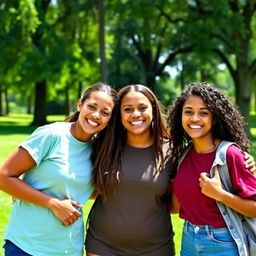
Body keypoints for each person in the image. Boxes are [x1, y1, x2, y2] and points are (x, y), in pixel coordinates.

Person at [0, 82, 117, 256]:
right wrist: (53, 203)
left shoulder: (99, 151)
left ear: (109, 120)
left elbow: (87, 191)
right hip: (26, 246)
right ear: (79, 105)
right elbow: (4, 176)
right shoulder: (52, 135)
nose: (96, 115)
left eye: (105, 112)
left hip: (69, 249)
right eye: (91, 107)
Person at [85, 84, 175, 256]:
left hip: (156, 248)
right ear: (119, 114)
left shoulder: (171, 150)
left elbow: (176, 204)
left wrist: (240, 159)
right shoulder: (103, 145)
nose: (136, 114)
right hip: (103, 246)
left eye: (142, 108)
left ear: (153, 110)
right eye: (128, 109)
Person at [168, 82, 256, 256]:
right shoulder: (183, 156)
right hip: (188, 239)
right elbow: (175, 207)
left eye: (203, 113)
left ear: (214, 118)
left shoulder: (230, 154)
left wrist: (220, 195)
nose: (194, 118)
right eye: (188, 112)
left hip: (223, 242)